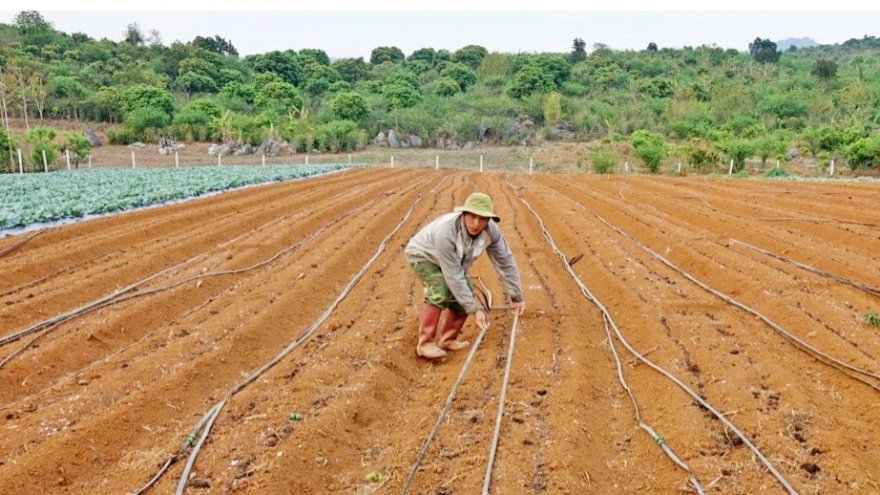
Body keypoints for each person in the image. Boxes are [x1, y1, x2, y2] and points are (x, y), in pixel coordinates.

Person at [404, 192, 526, 359]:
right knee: (440, 288)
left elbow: (505, 261)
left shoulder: (491, 232)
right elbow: (453, 276)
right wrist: (475, 310)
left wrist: (517, 296)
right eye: (472, 217)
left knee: (466, 289)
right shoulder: (446, 232)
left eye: (482, 219)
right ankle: (425, 344)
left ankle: (448, 340)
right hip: (423, 254)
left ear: (489, 220)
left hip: (450, 260)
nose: (476, 223)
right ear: (464, 214)